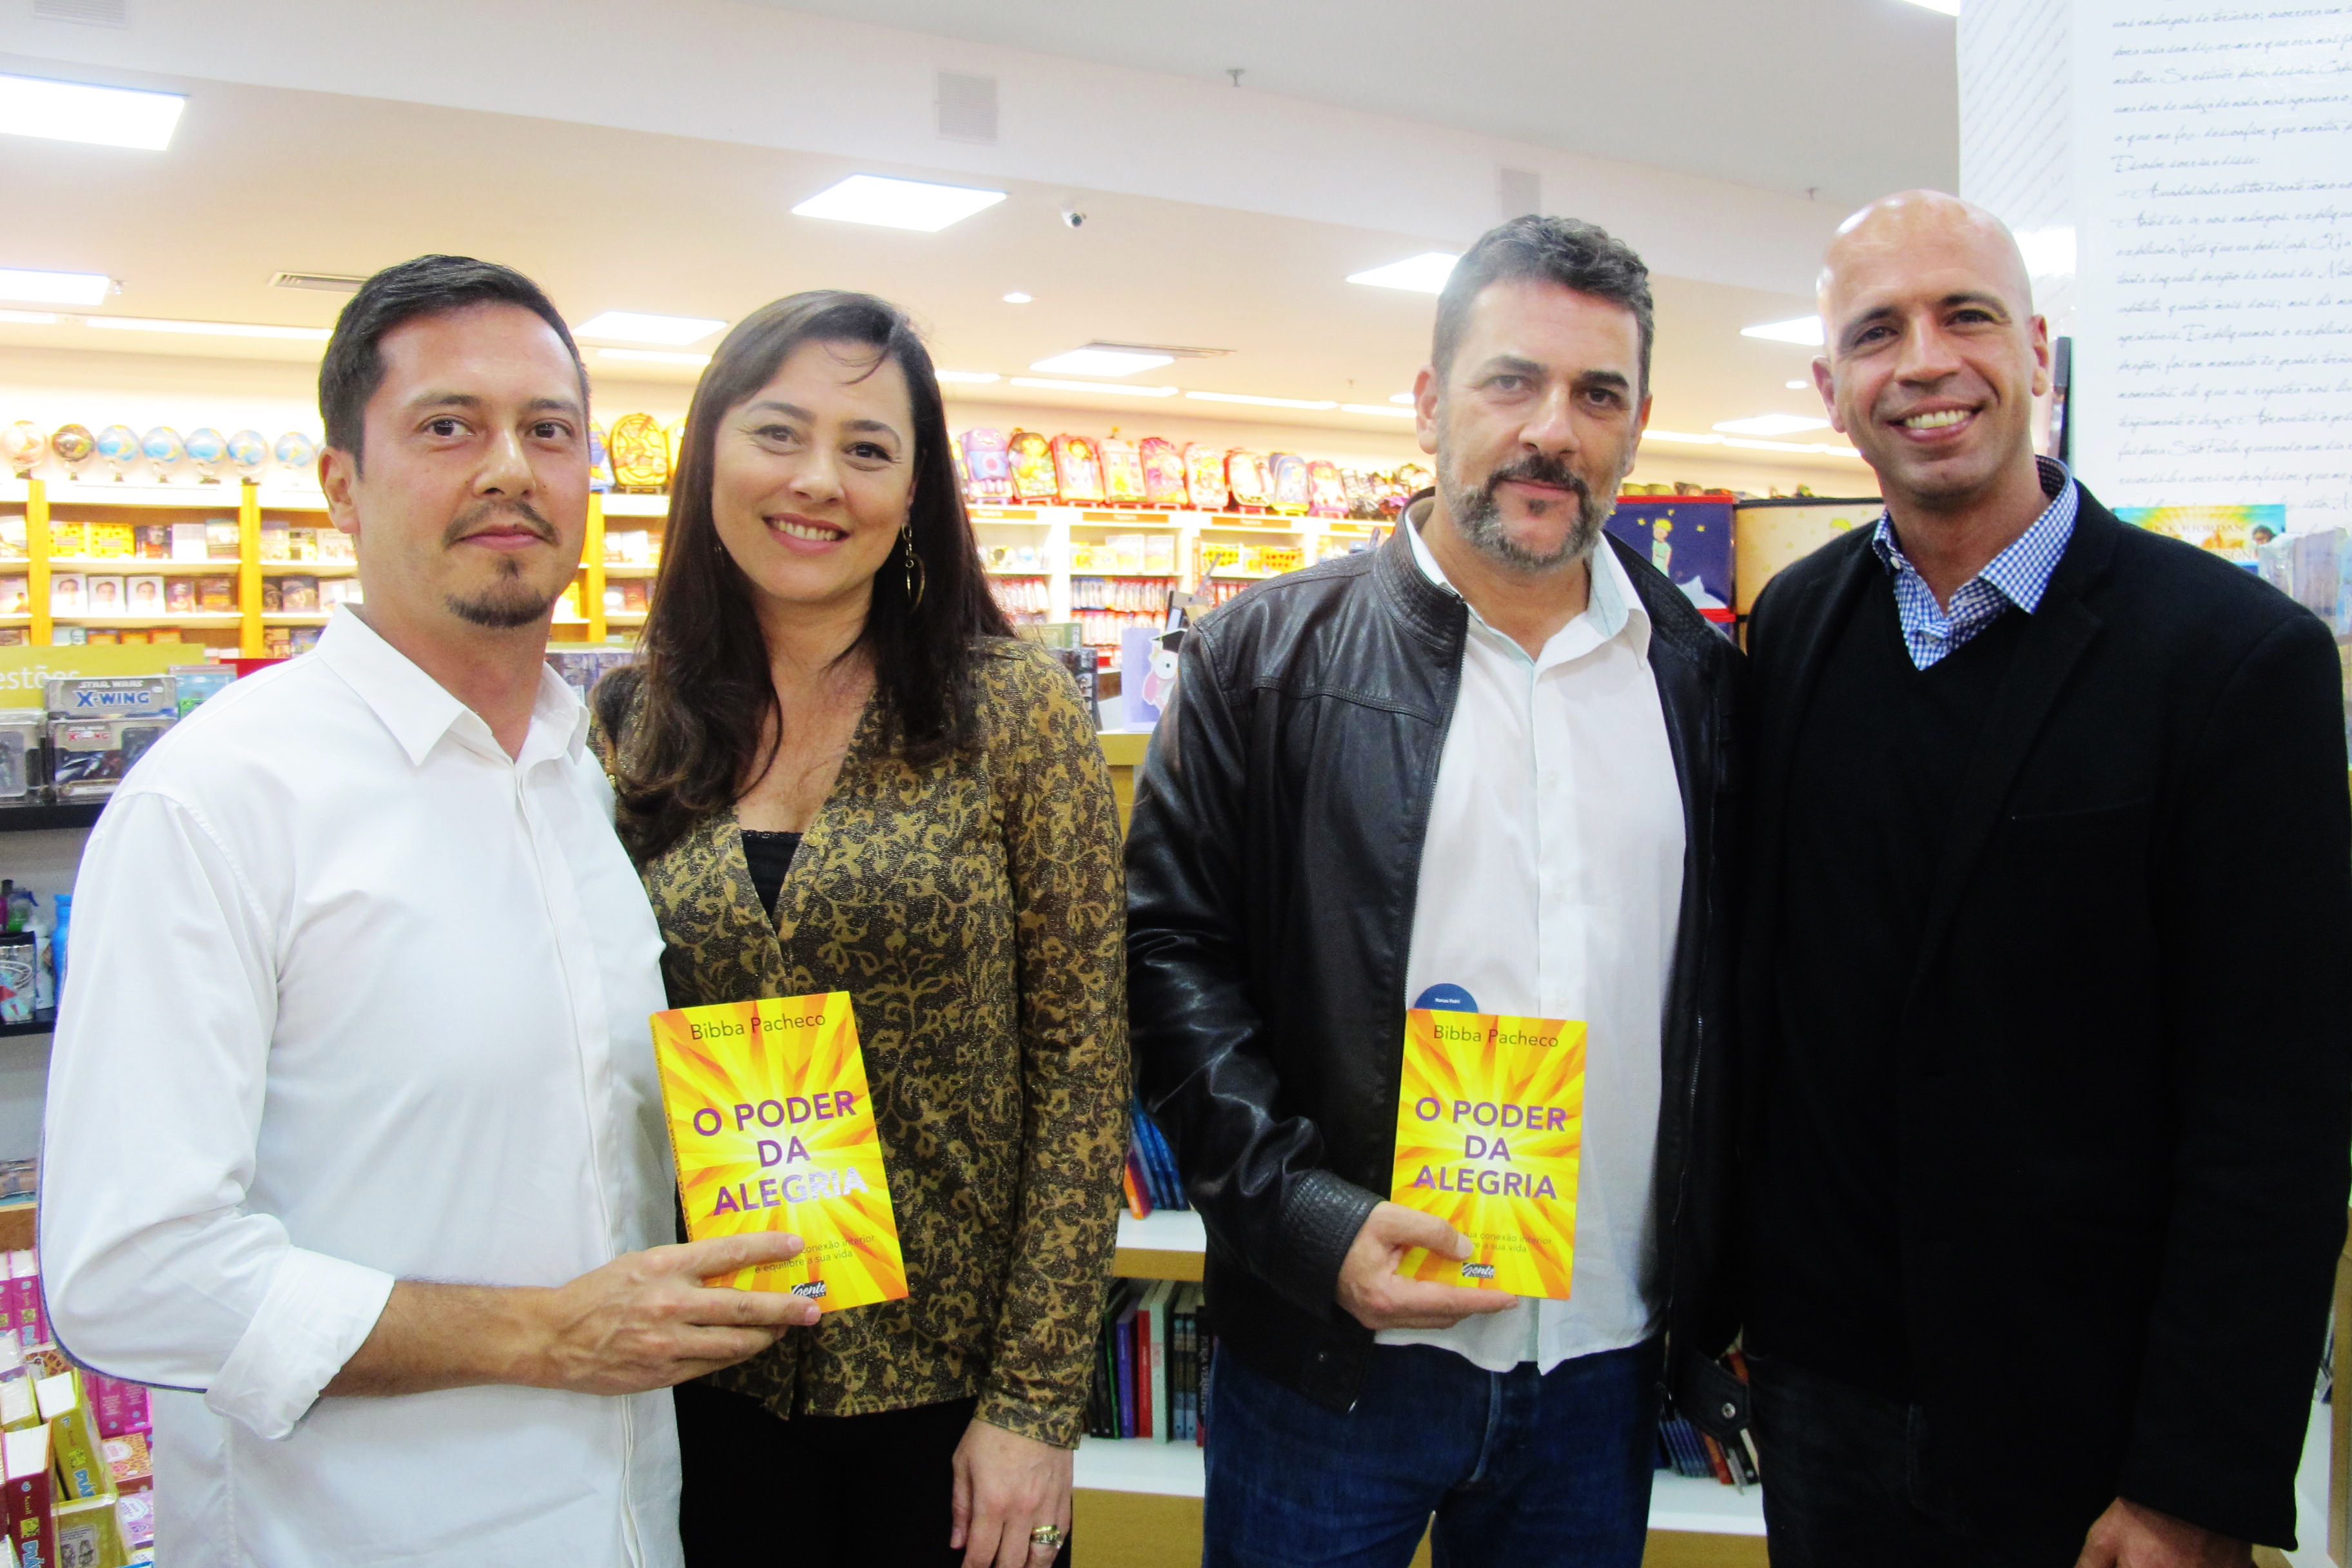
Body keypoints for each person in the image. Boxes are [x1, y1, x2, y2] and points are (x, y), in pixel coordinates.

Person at [37, 255, 819, 1567]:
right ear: (341, 484)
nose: (510, 468)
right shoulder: (218, 802)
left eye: (549, 431)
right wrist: (545, 1335)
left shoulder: (589, 780)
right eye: (448, 425)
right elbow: (130, 1273)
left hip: (626, 1522)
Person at [1739, 191, 2352, 1566]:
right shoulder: (1796, 630)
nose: (1926, 363)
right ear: (1831, 391)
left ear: (2035, 354)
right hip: (1827, 1400)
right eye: (1877, 332)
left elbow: (2278, 1110)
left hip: (2095, 1425)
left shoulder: (2233, 662)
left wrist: (2195, 1481)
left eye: (1966, 316)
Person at [1126, 215, 1743, 1568]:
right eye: (1511, 381)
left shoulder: (1701, 681)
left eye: (1598, 395)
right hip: (1335, 1353)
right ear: (1429, 402)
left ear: (1640, 426)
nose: (1552, 432)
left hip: (1600, 1360)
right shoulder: (1261, 661)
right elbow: (1169, 960)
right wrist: (1308, 1223)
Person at [591, 289, 1127, 1568]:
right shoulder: (631, 722)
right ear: (709, 452)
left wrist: (1035, 1402)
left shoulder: (1012, 708)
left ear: (914, 490)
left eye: (868, 448)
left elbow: (1084, 1065)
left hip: (955, 1392)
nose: (818, 481)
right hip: (708, 1375)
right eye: (778, 433)